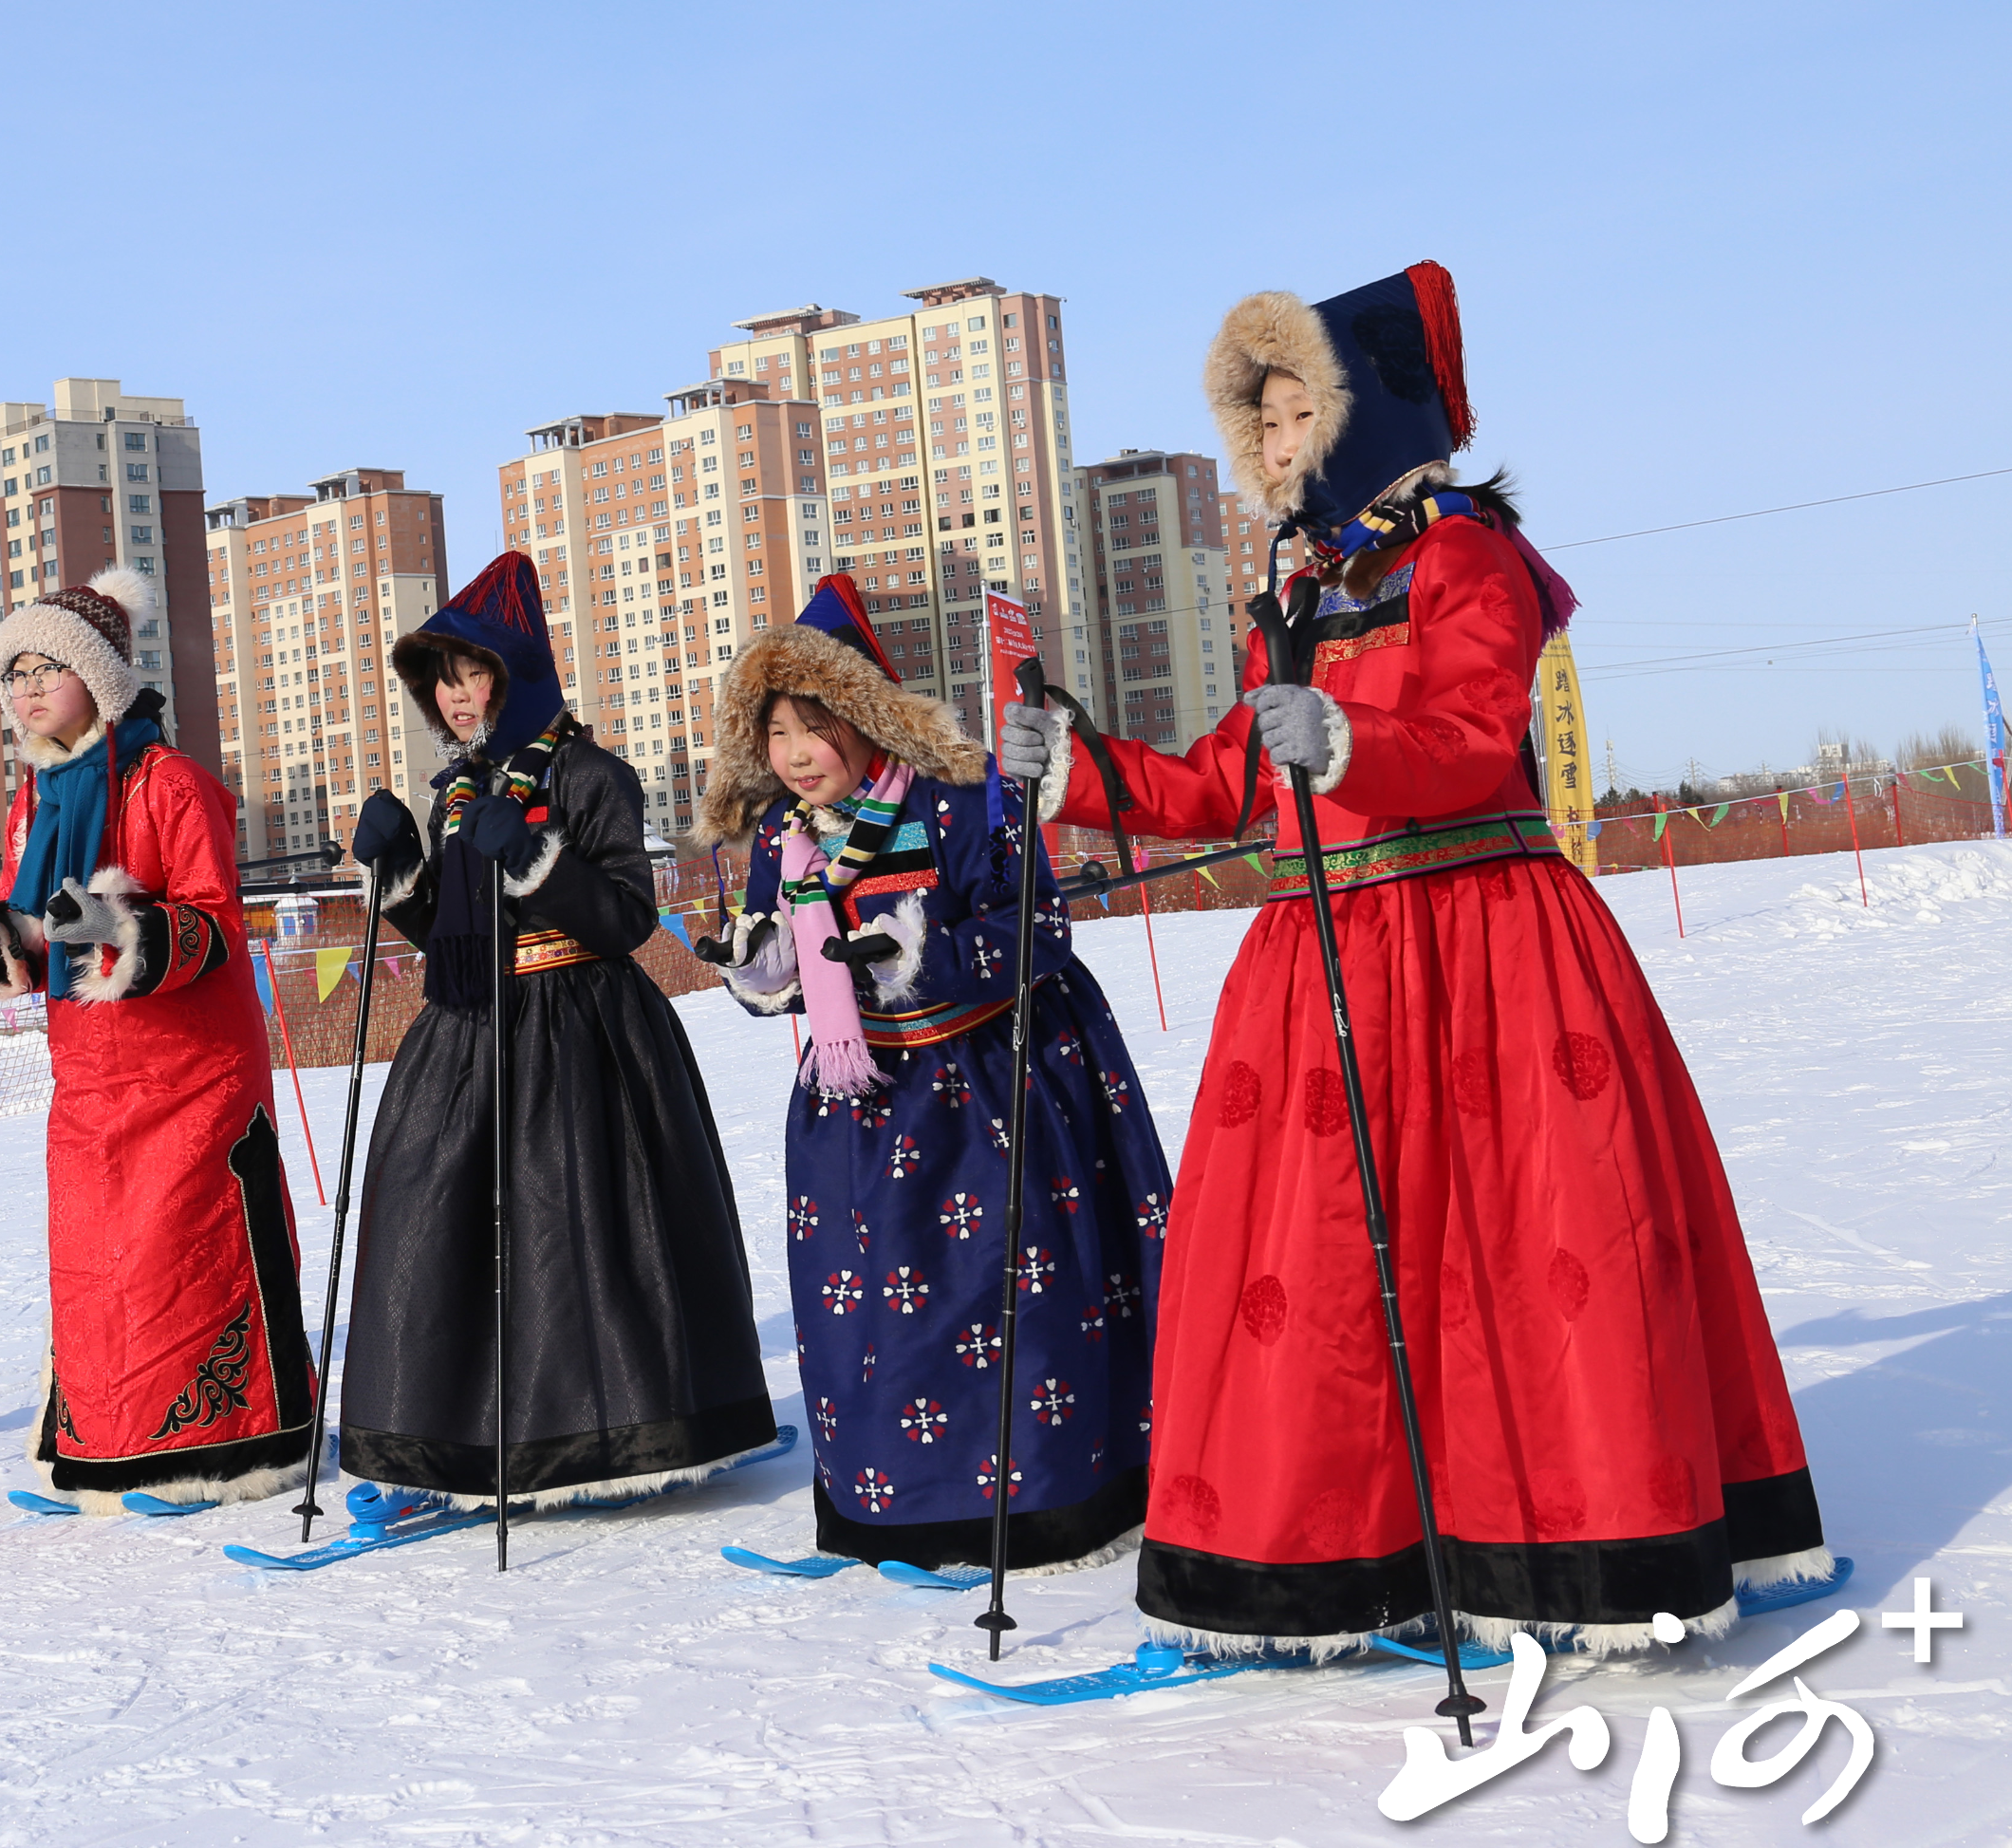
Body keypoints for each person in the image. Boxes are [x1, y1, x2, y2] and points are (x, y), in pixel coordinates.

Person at [1000, 262, 1828, 1655]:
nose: (1272, 451)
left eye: (1292, 417)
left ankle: (1562, 1543)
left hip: (1485, 943)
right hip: (1325, 960)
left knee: (1515, 1242)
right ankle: (1338, 1552)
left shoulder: (1464, 558)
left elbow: (1465, 725)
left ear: (1368, 415)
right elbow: (1221, 778)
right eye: (1255, 429)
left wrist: (1349, 743)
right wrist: (1073, 771)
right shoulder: (1304, 589)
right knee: (1326, 1259)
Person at [697, 578, 1168, 1571]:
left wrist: (926, 952)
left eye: (812, 726)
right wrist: (760, 962)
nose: (791, 754)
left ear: (865, 719)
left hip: (992, 1086)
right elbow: (780, 976)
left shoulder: (963, 797)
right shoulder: (783, 839)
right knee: (868, 1308)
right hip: (857, 1107)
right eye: (775, 732)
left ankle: (1042, 1498)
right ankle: (895, 1503)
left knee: (1005, 1300)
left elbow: (1038, 924)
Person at [334, 551, 774, 1513]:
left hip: (583, 1035)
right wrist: (400, 868)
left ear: (516, 672)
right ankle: (435, 1446)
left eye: (472, 672)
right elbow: (450, 935)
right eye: (439, 679)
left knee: (572, 1231)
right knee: (427, 1217)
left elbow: (621, 920)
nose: (454, 697)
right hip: (465, 1034)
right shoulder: (457, 789)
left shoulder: (589, 774)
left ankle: (605, 1429)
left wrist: (535, 854)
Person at [0, 567, 312, 1510]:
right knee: (99, 1270)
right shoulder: (34, 800)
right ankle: (104, 1446)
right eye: (10, 671)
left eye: (44, 667)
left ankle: (227, 1450)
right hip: (89, 1081)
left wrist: (119, 930)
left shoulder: (173, 781)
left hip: (191, 1072)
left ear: (97, 679)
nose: (23, 688)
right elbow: (43, 938)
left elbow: (216, 921)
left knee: (183, 1261)